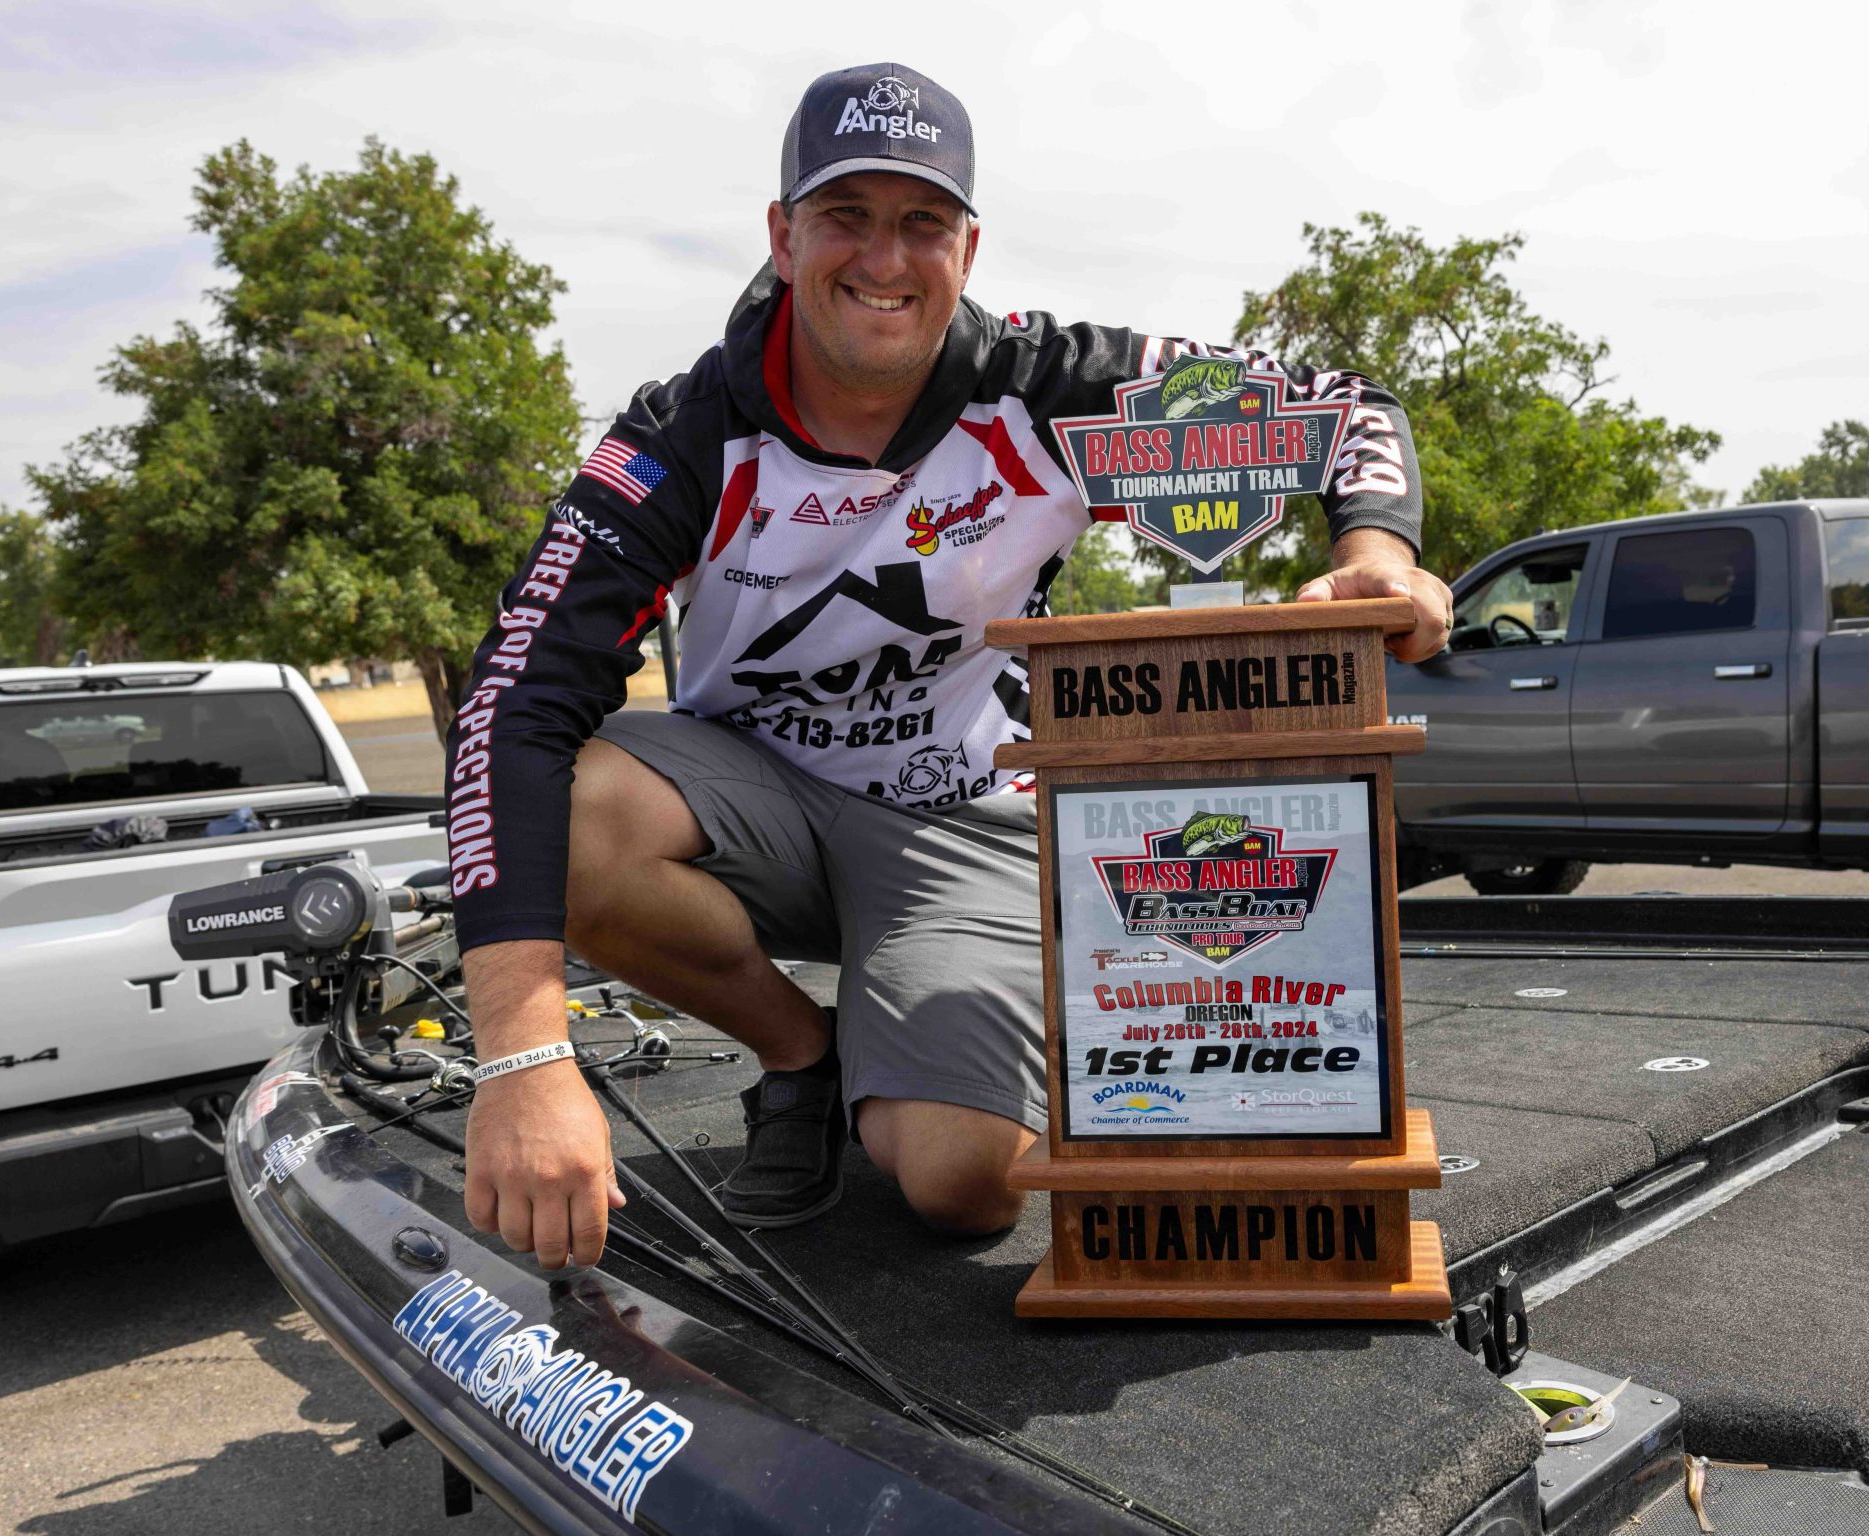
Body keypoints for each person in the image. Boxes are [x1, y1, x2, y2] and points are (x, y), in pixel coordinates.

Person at [447, 62, 1452, 1273]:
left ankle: (929, 1034)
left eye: (922, 222)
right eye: (846, 217)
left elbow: (1345, 406)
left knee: (967, 1183)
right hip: (749, 804)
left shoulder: (1053, 385)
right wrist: (522, 1056)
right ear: (782, 235)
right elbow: (513, 703)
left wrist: (1377, 552)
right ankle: (798, 1058)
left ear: (968, 248)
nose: (885, 258)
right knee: (574, 813)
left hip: (965, 818)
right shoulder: (680, 435)